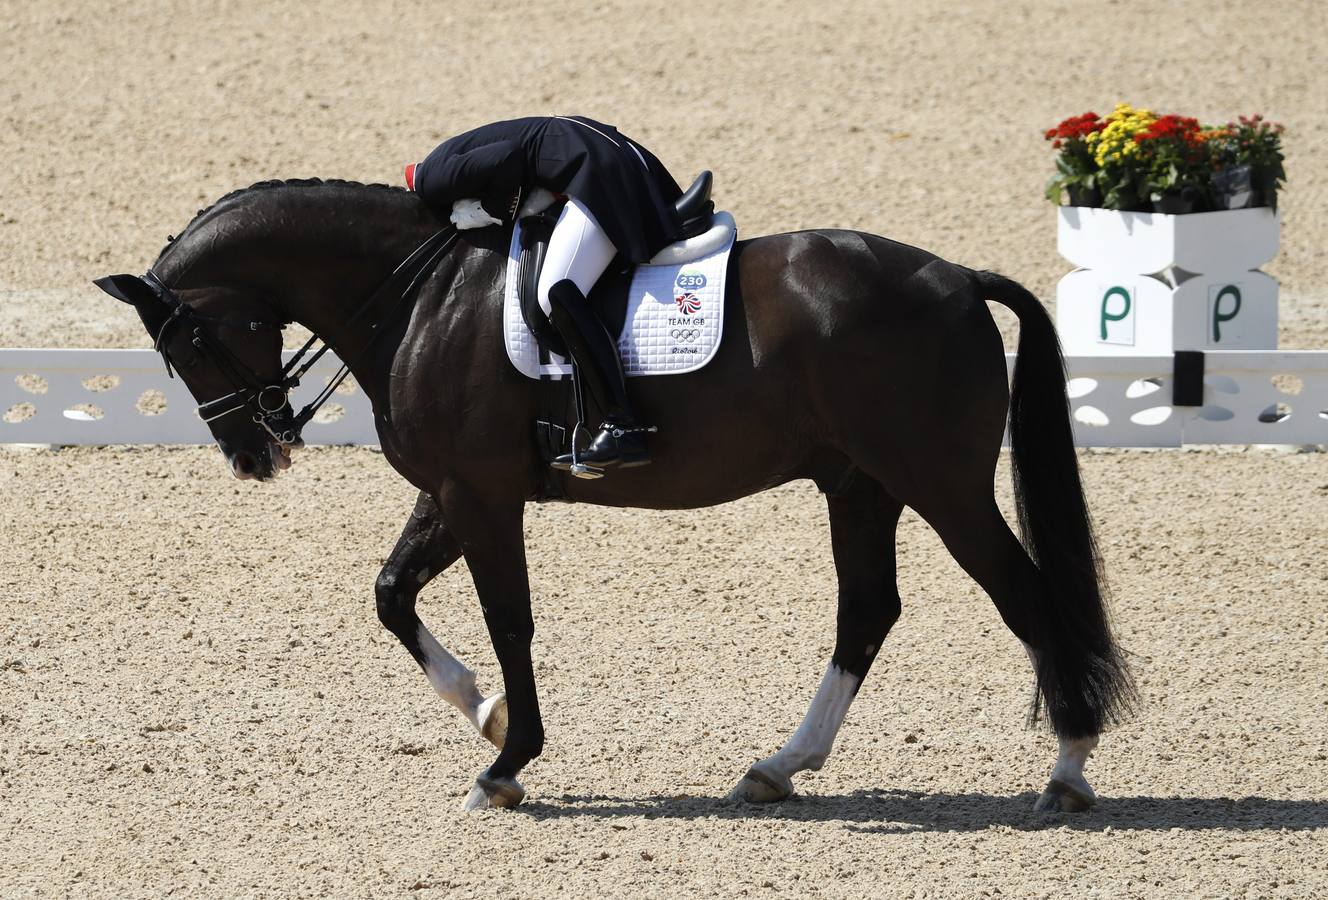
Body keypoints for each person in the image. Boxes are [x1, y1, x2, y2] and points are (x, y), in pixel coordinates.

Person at [405, 115, 684, 473]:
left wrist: (490, 210)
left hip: (597, 174)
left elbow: (507, 158)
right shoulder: (454, 151)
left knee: (557, 292)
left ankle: (623, 426)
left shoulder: (430, 180)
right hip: (618, 156)